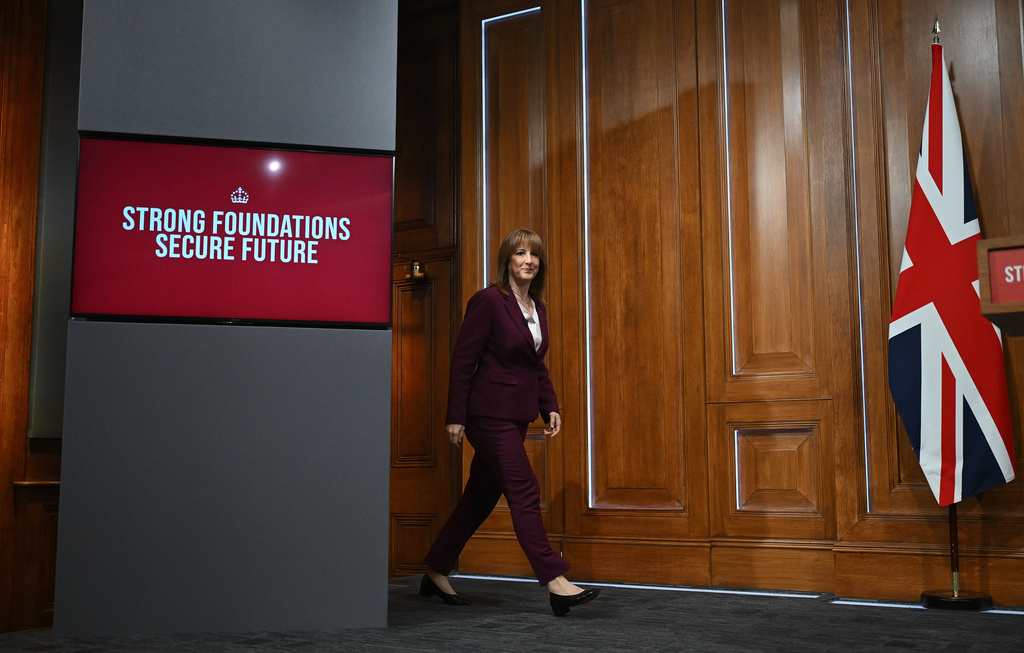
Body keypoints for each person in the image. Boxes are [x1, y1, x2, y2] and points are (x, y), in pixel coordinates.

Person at [419, 228, 600, 617]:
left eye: (534, 254)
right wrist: (455, 417)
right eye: (520, 253)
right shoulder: (488, 301)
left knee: (480, 497)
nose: (528, 260)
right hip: (487, 414)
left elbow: (536, 365)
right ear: (507, 259)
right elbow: (463, 361)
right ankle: (554, 579)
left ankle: (435, 569)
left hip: (516, 415)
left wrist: (550, 406)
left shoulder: (537, 307)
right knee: (524, 489)